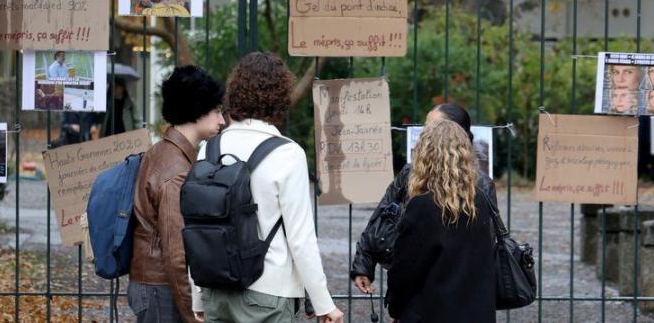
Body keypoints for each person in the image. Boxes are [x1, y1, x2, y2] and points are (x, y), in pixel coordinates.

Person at [190, 52, 343, 323]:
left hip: (216, 289)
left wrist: (198, 296)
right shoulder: (287, 153)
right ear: (280, 97)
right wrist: (323, 304)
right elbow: (301, 238)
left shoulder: (209, 149)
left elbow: (198, 224)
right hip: (269, 292)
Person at [350, 103, 497, 294]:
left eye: (431, 129)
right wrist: (363, 265)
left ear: (454, 134)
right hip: (415, 290)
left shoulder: (482, 185)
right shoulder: (410, 174)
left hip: (461, 291)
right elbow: (381, 218)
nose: (424, 135)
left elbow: (485, 246)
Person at [128, 65, 225, 323]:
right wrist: (192, 312)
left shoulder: (163, 151)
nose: (222, 120)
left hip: (154, 285)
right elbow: (176, 253)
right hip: (161, 288)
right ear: (197, 110)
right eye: (216, 111)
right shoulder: (175, 171)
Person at [385, 119, 496, 322]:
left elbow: (404, 272)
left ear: (425, 156)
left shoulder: (422, 206)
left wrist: (396, 308)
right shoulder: (480, 201)